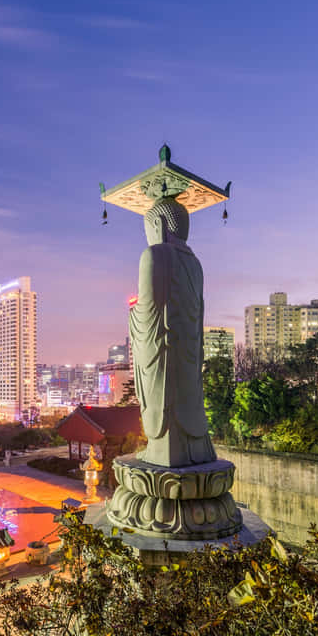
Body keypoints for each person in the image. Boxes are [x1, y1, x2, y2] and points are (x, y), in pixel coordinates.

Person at [130, 197, 216, 467]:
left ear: (158, 224)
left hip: (164, 350)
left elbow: (149, 310)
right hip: (189, 350)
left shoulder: (153, 255)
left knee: (164, 396)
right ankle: (195, 448)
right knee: (188, 393)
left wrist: (134, 314)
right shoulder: (196, 264)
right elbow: (197, 314)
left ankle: (162, 449)